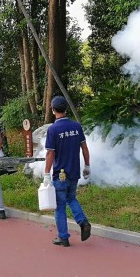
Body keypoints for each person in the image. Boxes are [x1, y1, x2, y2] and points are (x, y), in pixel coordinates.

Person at [44, 96, 91, 247]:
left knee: (60, 205)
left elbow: (50, 153)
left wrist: (46, 173)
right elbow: (84, 147)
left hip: (60, 174)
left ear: (53, 110)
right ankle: (83, 222)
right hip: (74, 171)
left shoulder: (53, 129)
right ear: (66, 109)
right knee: (71, 198)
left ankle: (63, 237)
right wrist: (87, 165)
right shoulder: (76, 126)